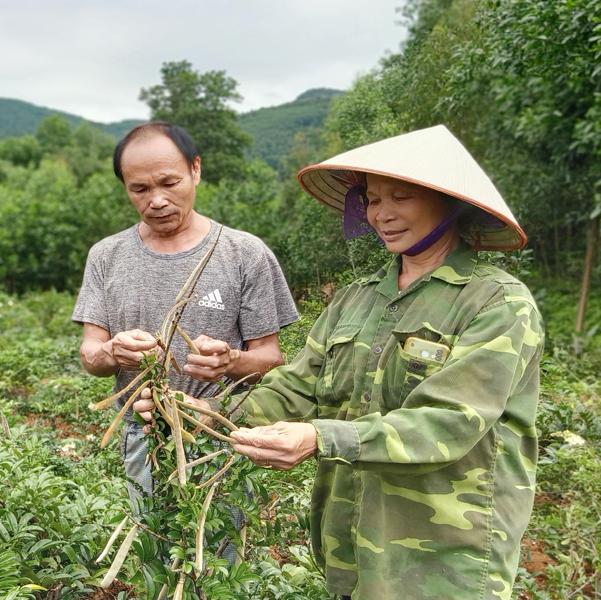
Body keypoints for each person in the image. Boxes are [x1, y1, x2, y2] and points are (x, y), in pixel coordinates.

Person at [135, 125, 543, 600]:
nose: (382, 214)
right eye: (372, 200)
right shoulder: (356, 300)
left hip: (446, 552)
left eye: (401, 198)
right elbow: (297, 388)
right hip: (349, 538)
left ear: (448, 202)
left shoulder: (496, 303)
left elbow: (450, 421)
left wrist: (319, 437)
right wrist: (204, 416)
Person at [72, 122, 299, 509]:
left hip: (222, 431)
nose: (156, 201)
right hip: (143, 433)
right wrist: (112, 351)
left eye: (169, 183)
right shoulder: (106, 256)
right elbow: (91, 355)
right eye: (139, 189)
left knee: (221, 558)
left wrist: (231, 361)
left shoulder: (244, 253)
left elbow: (271, 360)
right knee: (152, 548)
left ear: (195, 170)